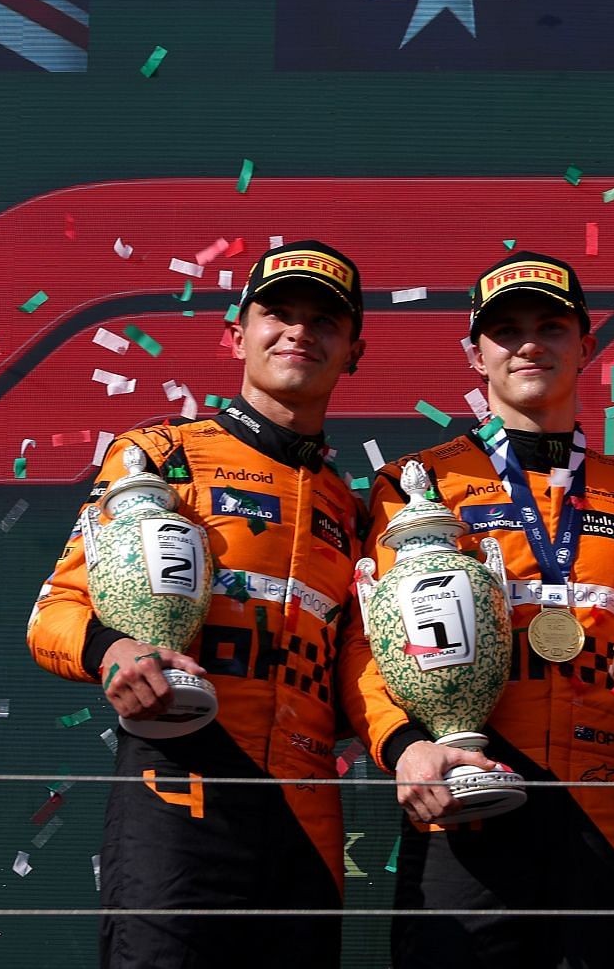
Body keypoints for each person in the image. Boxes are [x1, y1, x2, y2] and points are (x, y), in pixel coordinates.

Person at [27, 240, 401, 967]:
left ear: (354, 349)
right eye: (278, 314)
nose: (300, 331)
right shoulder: (160, 454)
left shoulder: (354, 506)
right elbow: (54, 610)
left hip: (306, 815)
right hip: (178, 788)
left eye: (324, 320)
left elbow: (363, 668)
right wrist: (115, 651)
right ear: (235, 334)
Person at [367, 251, 614, 969]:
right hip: (465, 793)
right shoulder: (417, 486)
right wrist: (403, 743)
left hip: (606, 812)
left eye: (551, 325)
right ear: (475, 354)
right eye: (505, 331)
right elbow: (367, 646)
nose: (529, 343)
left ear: (588, 344)